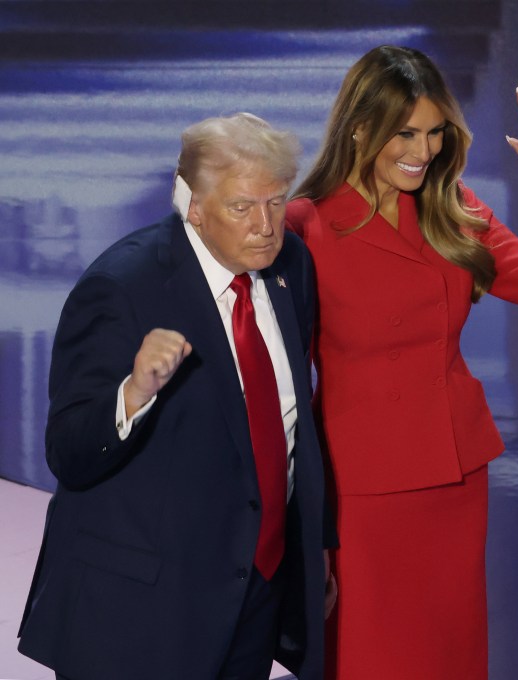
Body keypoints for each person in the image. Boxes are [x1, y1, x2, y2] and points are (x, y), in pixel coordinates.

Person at [286, 45, 518, 679]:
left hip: (452, 475)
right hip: (360, 484)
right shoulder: (304, 226)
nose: (423, 152)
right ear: (361, 128)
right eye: (407, 133)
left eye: (433, 134)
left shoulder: (455, 208)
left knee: (447, 653)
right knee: (370, 654)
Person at [17, 112, 337, 680]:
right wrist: (134, 393)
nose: (266, 225)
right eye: (242, 207)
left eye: (276, 201)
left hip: (252, 593)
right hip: (142, 614)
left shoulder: (292, 268)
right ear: (193, 206)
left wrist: (314, 548)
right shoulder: (122, 286)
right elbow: (69, 452)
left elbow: (290, 428)